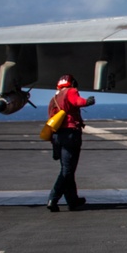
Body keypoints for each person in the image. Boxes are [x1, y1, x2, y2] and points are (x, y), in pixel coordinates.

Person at [47, 74, 94, 212]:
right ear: (72, 83)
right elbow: (77, 101)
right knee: (67, 170)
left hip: (57, 136)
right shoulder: (70, 91)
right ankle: (53, 198)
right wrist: (88, 101)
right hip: (70, 134)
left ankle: (72, 200)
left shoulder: (54, 97)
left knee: (68, 169)